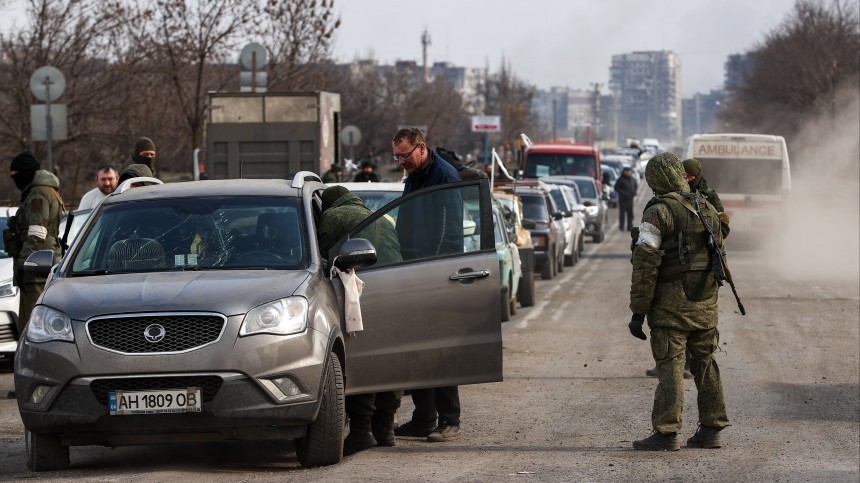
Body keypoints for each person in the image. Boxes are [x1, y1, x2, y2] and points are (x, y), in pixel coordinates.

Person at [627, 152, 730, 451]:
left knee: (671, 364)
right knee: (705, 362)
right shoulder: (707, 206)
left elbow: (645, 265)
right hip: (705, 301)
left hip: (671, 304)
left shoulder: (658, 212)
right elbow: (719, 254)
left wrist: (638, 311)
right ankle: (712, 429)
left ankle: (666, 432)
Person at [316, 185, 403, 455]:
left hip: (363, 293)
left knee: (361, 357)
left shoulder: (332, 217)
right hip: (396, 290)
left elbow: (318, 256)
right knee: (389, 358)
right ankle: (386, 428)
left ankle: (362, 432)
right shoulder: (382, 217)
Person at [390, 127, 464, 443]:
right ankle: (423, 418)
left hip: (434, 275)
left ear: (421, 148)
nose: (400, 161)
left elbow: (451, 233)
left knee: (439, 351)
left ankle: (450, 420)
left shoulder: (444, 178)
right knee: (417, 352)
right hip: (412, 274)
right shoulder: (414, 177)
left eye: (404, 155)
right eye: (396, 156)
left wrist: (433, 272)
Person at [5, 151, 64, 337]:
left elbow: (36, 232)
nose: (14, 179)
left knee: (33, 320)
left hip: (37, 264)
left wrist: (24, 264)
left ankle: (33, 360)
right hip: (43, 259)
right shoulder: (46, 190)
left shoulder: (38, 193)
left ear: (26, 173)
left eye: (15, 174)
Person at [682, 158, 730, 238]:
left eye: (690, 176)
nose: (687, 179)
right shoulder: (675, 195)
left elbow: (724, 229)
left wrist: (709, 235)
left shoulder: (710, 196)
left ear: (697, 176)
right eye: (684, 175)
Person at [614, 166, 637, 231]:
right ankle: (621, 226)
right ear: (624, 172)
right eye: (626, 172)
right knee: (622, 214)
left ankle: (629, 226)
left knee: (630, 214)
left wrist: (634, 192)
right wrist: (623, 193)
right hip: (623, 200)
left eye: (629, 172)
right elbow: (616, 187)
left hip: (630, 200)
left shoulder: (633, 179)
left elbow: (635, 186)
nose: (628, 173)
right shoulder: (620, 180)